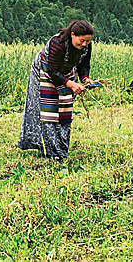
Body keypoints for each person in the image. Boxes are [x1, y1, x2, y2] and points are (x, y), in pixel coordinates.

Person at [18, 19, 94, 161]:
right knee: (48, 111)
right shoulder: (58, 43)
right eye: (82, 41)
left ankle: (61, 148)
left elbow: (84, 64)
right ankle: (50, 150)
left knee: (64, 109)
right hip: (45, 70)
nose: (84, 44)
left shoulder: (86, 47)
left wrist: (85, 78)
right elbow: (52, 69)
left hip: (65, 73)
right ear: (72, 34)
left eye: (87, 41)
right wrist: (70, 84)